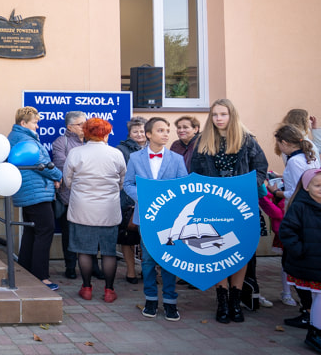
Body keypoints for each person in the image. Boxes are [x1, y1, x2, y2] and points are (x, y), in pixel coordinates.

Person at [190, 98, 268, 323]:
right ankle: (222, 298)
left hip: (241, 205)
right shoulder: (202, 141)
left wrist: (248, 187)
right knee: (218, 249)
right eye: (215, 115)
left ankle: (236, 300)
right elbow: (194, 173)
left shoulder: (247, 140)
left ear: (231, 115)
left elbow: (261, 168)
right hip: (214, 205)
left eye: (223, 114)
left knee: (240, 252)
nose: (218, 119)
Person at [123, 117, 188, 321]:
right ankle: (150, 298)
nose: (166, 133)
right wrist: (145, 197)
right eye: (161, 130)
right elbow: (128, 184)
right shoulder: (135, 158)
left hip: (169, 218)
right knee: (149, 260)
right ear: (149, 134)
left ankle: (170, 301)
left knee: (168, 259)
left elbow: (184, 186)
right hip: (146, 216)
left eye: (168, 130)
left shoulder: (176, 159)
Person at [63, 117, 127, 302]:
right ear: (106, 133)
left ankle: (87, 288)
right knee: (108, 252)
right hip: (109, 209)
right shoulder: (116, 154)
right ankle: (109, 291)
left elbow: (68, 181)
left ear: (86, 132)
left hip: (82, 209)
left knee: (84, 251)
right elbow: (122, 181)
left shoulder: (76, 152)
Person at [8, 107, 63, 291]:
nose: (37, 126)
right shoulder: (26, 139)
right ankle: (41, 277)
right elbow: (42, 165)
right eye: (35, 122)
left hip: (29, 191)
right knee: (45, 230)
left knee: (32, 232)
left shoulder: (17, 137)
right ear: (23, 123)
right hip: (36, 193)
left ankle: (25, 270)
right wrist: (57, 175)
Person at [270, 124, 320, 313]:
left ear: (284, 143)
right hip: (312, 213)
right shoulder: (310, 155)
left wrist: (277, 192)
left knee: (293, 261)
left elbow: (298, 190)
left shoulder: (293, 161)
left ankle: (306, 310)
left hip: (297, 211)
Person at [279, 168, 321, 354]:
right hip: (309, 263)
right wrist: (300, 251)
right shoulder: (300, 206)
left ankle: (315, 329)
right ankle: (316, 332)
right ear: (306, 187)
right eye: (318, 185)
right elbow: (287, 232)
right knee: (319, 298)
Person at [52, 111, 85, 279]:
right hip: (68, 198)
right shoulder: (61, 142)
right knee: (69, 234)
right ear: (70, 127)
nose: (84, 127)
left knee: (89, 233)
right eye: (81, 124)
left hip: (89, 197)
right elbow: (63, 166)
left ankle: (92, 266)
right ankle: (70, 266)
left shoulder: (91, 142)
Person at [116, 116, 147, 283]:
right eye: (136, 131)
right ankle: (130, 271)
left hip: (148, 198)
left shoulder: (153, 148)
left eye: (142, 131)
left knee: (147, 238)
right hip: (128, 198)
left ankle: (146, 269)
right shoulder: (121, 149)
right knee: (128, 237)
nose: (140, 134)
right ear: (129, 133)